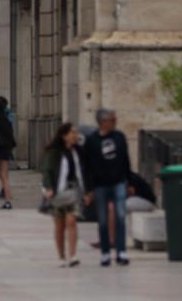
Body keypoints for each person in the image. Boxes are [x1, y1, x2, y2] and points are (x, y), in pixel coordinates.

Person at [81, 107, 132, 267]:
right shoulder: (92, 140)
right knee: (102, 220)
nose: (115, 123)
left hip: (118, 183)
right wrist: (88, 190)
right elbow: (86, 166)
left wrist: (129, 182)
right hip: (100, 185)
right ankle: (105, 253)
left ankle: (121, 252)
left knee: (121, 217)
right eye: (112, 120)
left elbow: (126, 161)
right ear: (102, 122)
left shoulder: (119, 137)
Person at [42, 122, 85, 268]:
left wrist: (87, 191)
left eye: (76, 132)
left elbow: (83, 171)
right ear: (64, 135)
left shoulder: (78, 151)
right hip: (58, 192)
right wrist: (48, 188)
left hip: (74, 191)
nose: (75, 135)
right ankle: (61, 256)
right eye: (72, 132)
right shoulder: (54, 151)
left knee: (71, 221)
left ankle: (73, 256)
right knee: (59, 226)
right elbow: (47, 171)